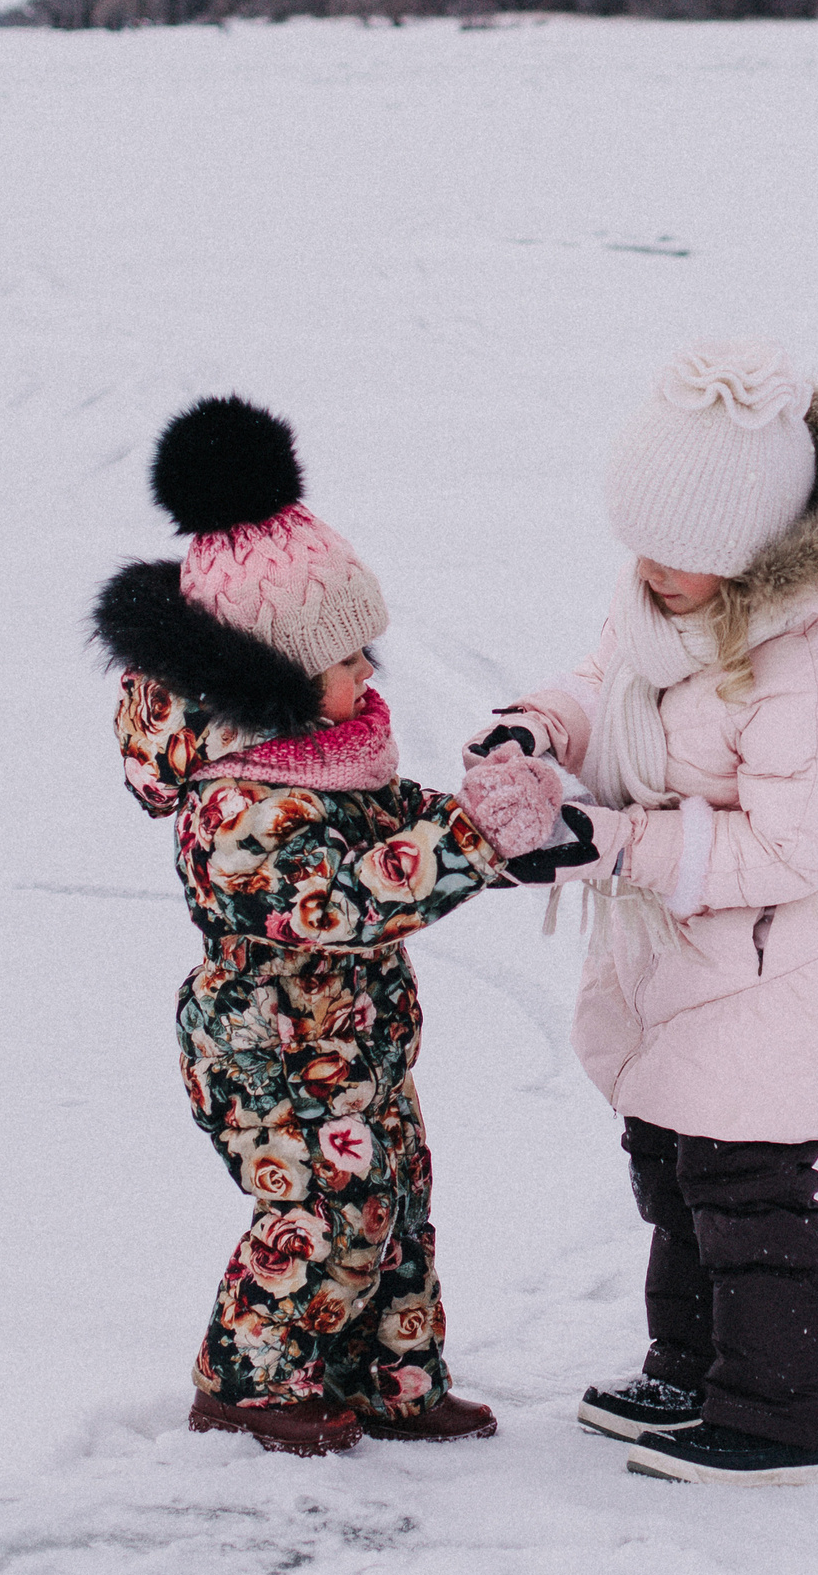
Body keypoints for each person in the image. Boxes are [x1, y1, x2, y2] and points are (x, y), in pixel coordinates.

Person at [456, 342, 818, 1487]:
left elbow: (788, 847)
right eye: (643, 542)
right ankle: (691, 1363)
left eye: (684, 555)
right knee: (673, 1165)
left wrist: (607, 842)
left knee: (749, 1191)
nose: (652, 569)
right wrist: (538, 729)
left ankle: (773, 1410)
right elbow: (602, 681)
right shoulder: (662, 608)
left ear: (755, 553)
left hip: (794, 977)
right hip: (696, 966)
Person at [95, 394, 535, 1455]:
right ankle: (249, 1379)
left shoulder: (330, 760)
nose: (370, 678)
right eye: (347, 662)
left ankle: (393, 1373)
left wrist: (502, 828)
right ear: (277, 680)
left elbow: (401, 834)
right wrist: (471, 844)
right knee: (321, 1216)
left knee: (396, 1204)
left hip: (358, 1041)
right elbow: (335, 902)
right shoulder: (234, 802)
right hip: (267, 1048)